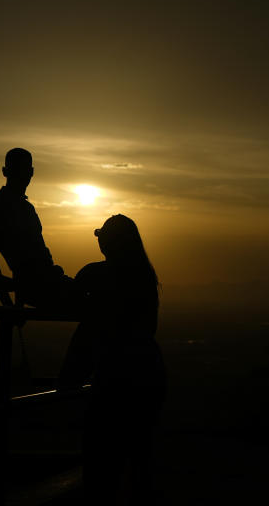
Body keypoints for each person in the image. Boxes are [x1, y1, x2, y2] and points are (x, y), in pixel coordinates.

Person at [59, 214, 166, 504]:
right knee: (138, 458)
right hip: (148, 373)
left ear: (108, 242)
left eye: (102, 237)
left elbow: (72, 308)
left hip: (114, 378)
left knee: (101, 460)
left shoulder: (95, 274)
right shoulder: (144, 275)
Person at [0, 148, 73, 310]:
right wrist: (9, 305)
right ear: (5, 171)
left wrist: (17, 302)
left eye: (24, 169)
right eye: (16, 169)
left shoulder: (26, 208)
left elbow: (29, 254)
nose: (21, 174)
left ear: (31, 172)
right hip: (41, 289)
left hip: (47, 283)